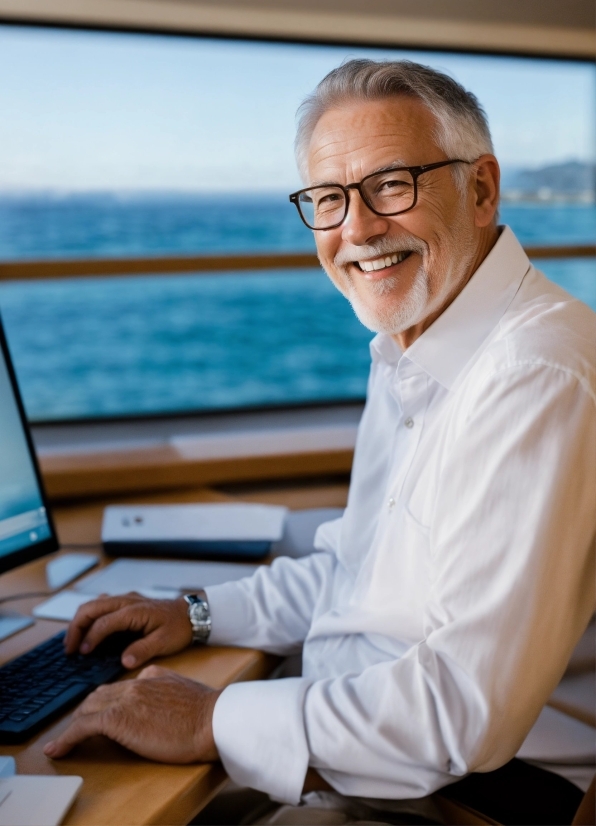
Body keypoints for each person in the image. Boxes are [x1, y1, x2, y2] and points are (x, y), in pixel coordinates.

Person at [44, 60, 595, 822]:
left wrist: (213, 719)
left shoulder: (535, 374)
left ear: (481, 189)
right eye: (329, 199)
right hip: (366, 757)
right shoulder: (414, 338)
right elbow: (353, 571)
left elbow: (463, 714)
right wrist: (196, 612)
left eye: (392, 184)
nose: (357, 229)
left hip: (478, 795)